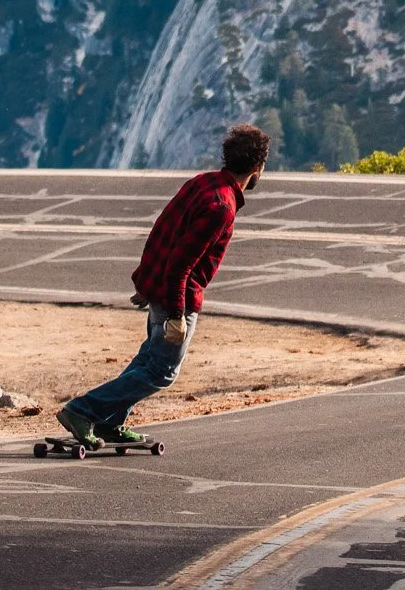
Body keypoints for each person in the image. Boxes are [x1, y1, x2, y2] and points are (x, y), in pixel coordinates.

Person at [57, 123, 270, 447]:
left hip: (160, 288)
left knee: (147, 361)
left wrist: (146, 280)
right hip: (177, 296)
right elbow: (181, 264)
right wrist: (177, 315)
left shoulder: (202, 183)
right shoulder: (222, 206)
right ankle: (83, 410)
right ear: (257, 167)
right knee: (162, 372)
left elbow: (163, 230)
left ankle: (110, 422)